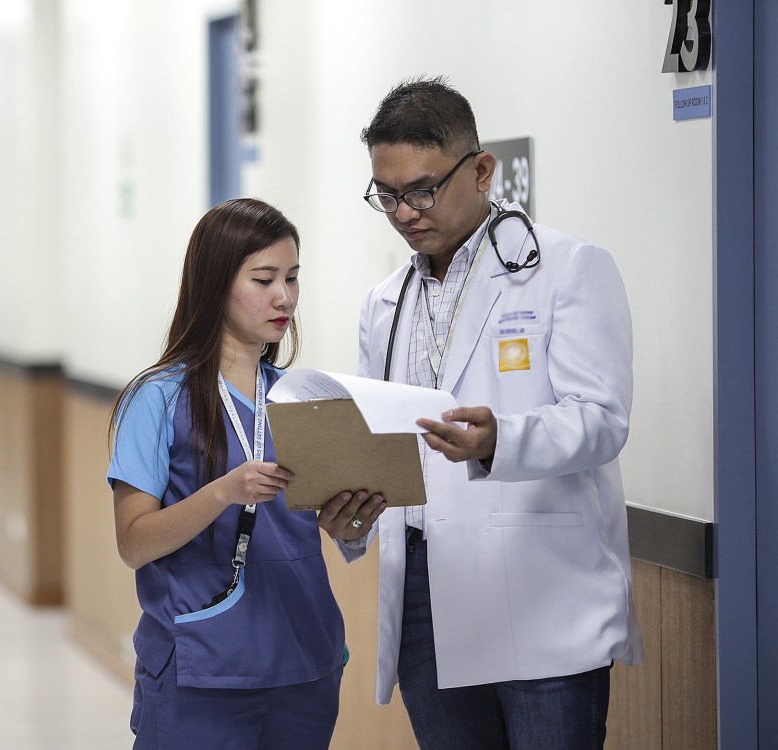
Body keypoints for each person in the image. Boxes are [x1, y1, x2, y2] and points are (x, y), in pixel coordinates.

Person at [344, 76, 644, 749]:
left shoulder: (566, 269)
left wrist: (500, 440)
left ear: (481, 170)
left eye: (421, 189)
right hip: (423, 594)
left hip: (538, 595)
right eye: (386, 196)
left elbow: (602, 419)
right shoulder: (383, 304)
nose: (403, 212)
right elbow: (378, 439)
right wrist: (350, 509)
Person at [107, 198, 385, 749]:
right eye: (263, 279)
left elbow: (328, 532)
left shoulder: (302, 397)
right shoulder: (158, 398)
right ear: (214, 284)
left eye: (292, 278)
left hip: (303, 664)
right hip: (201, 669)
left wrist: (352, 523)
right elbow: (134, 544)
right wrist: (224, 493)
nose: (284, 297)